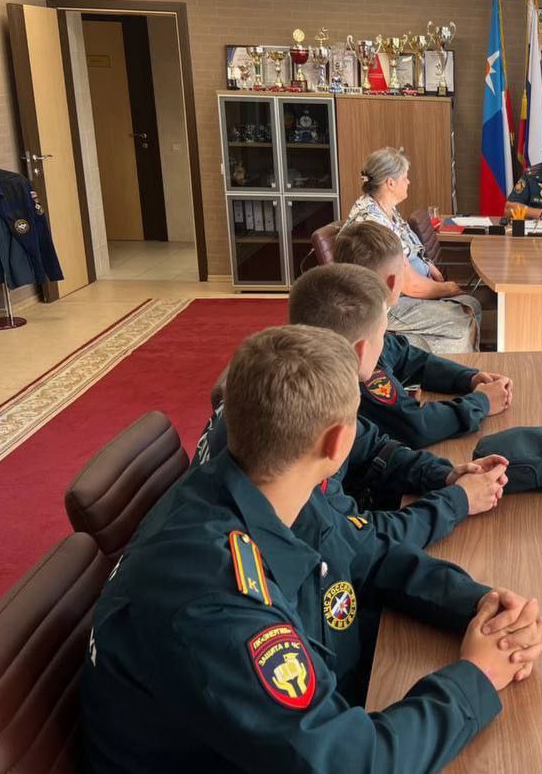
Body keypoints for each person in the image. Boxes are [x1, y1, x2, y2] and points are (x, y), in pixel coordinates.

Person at [82, 325, 542, 774]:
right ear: (338, 443)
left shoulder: (262, 481)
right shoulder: (216, 602)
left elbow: (368, 555)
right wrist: (477, 676)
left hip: (256, 759)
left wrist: (481, 606)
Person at [196, 264, 510, 541]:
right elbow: (355, 542)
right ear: (361, 351)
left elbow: (373, 446)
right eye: (383, 335)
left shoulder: (298, 379)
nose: (386, 343)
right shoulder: (301, 432)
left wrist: (445, 474)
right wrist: (457, 501)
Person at [334, 223, 515, 448]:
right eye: (405, 268)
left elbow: (407, 358)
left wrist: (468, 378)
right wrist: (482, 402)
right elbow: (414, 426)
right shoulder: (359, 350)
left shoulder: (353, 319)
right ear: (393, 283)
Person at [345, 146, 480, 354]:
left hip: (407, 291)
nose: (408, 182)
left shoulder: (384, 207)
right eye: (405, 177)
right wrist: (448, 288)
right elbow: (409, 286)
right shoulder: (374, 223)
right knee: (461, 321)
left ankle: (454, 362)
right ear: (390, 183)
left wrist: (428, 265)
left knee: (471, 305)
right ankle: (451, 366)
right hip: (388, 303)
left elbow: (410, 247)